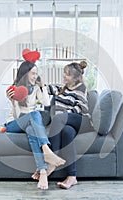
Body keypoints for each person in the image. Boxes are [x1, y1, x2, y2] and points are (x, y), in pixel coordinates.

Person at [5, 59, 65, 190]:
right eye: (33, 73)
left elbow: (46, 103)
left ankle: (42, 172)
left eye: (37, 73)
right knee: (35, 114)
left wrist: (43, 86)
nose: (35, 76)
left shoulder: (36, 87)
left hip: (30, 123)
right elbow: (16, 116)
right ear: (25, 73)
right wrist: (13, 101)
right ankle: (47, 151)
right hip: (13, 124)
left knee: (33, 129)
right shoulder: (14, 88)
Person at [47, 60, 94, 189]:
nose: (63, 76)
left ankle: (52, 159)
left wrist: (63, 116)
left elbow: (81, 108)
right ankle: (72, 177)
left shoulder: (81, 88)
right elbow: (47, 88)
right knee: (66, 132)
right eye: (64, 73)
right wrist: (37, 82)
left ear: (75, 77)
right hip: (68, 123)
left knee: (58, 118)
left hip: (81, 121)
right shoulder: (63, 89)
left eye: (66, 74)